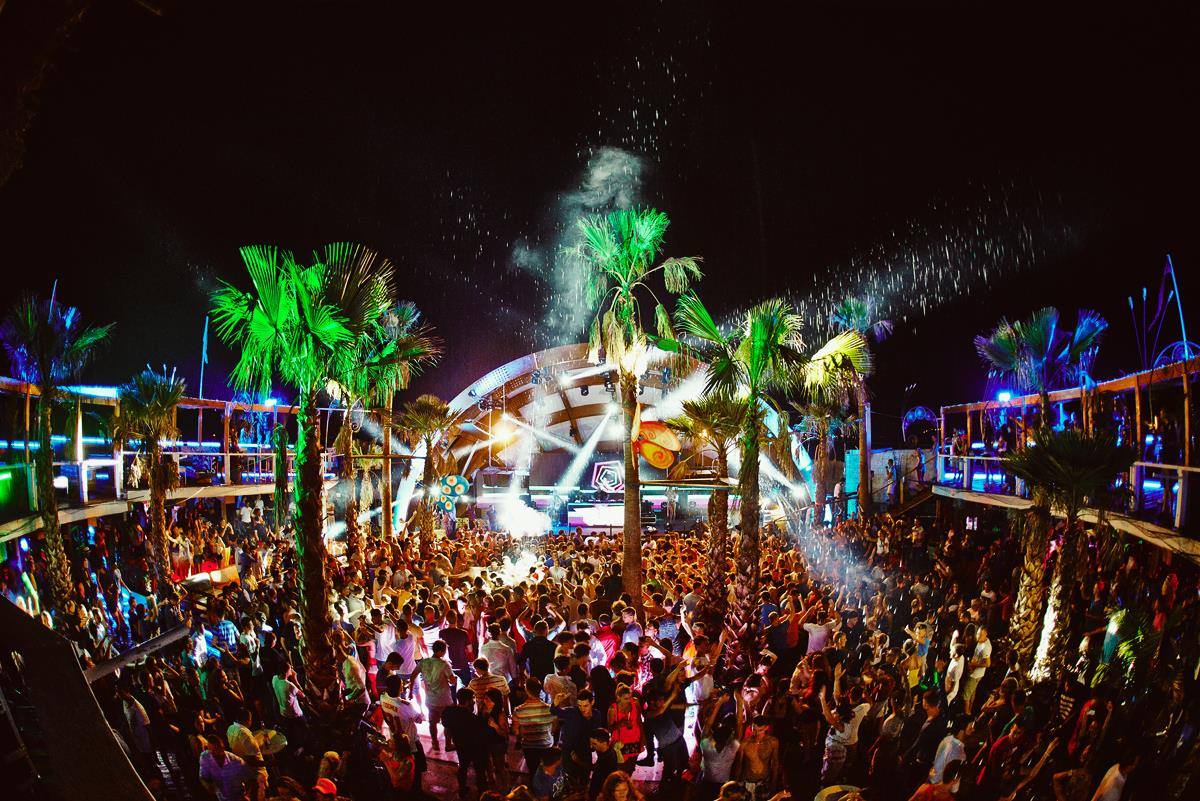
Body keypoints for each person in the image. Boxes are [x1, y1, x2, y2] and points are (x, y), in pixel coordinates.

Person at [441, 688, 492, 794]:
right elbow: (485, 733)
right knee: (480, 771)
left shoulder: (449, 712)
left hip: (460, 746)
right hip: (477, 748)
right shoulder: (473, 719)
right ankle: (482, 792)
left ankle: (462, 789)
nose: (474, 702)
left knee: (463, 767)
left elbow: (447, 728)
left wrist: (449, 743)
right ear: (468, 701)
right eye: (473, 699)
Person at [415, 639, 457, 751]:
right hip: (444, 700)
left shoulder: (423, 662)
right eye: (445, 650)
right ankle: (448, 745)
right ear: (440, 651)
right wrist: (452, 679)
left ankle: (435, 743)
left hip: (430, 699)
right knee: (447, 723)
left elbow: (413, 675)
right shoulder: (444, 664)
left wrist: (410, 690)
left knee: (432, 722)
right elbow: (452, 682)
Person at [514, 676, 556, 775]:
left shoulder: (519, 710)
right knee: (547, 772)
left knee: (533, 771)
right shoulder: (549, 709)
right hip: (546, 745)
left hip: (529, 746)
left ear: (526, 690)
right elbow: (554, 728)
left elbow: (515, 730)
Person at [198, 736, 248, 801]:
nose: (213, 753)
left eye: (216, 749)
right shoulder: (205, 757)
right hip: (222, 798)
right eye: (211, 750)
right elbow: (202, 777)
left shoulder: (235, 761)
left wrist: (246, 795)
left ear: (222, 748)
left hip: (238, 797)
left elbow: (251, 778)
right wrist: (207, 785)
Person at [962, 624, 991, 715]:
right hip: (976, 673)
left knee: (966, 694)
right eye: (977, 634)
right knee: (972, 692)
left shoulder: (985, 647)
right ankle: (970, 709)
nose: (978, 636)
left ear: (986, 634)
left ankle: (967, 713)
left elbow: (988, 663)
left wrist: (974, 664)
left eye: (980, 635)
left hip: (975, 674)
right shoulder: (982, 641)